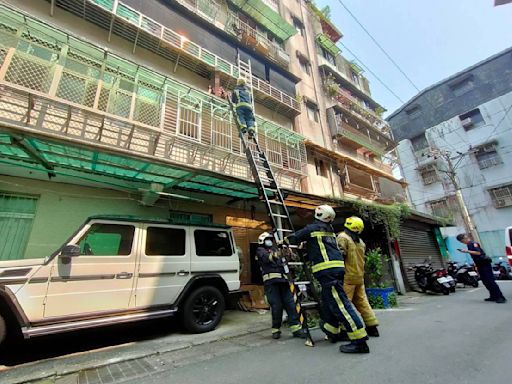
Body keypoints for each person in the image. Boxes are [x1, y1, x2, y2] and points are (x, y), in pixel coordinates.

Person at [282, 205, 370, 354]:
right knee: (331, 302)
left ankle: (360, 341)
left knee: (341, 306)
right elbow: (318, 248)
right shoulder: (329, 231)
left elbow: (293, 237)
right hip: (335, 271)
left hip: (327, 272)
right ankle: (333, 330)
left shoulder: (312, 229)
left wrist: (281, 241)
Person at [255, 232, 305, 339]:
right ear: (262, 241)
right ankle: (276, 329)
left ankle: (296, 329)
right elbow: (266, 258)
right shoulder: (260, 251)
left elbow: (291, 259)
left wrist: (290, 252)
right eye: (267, 239)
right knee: (277, 306)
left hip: (284, 282)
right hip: (272, 284)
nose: (270, 241)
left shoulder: (276, 250)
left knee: (291, 305)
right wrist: (279, 254)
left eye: (270, 239)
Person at [337, 216, 380, 337]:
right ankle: (372, 327)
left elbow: (340, 255)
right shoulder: (361, 242)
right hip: (359, 277)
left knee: (344, 304)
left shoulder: (342, 237)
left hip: (347, 277)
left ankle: (345, 330)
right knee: (362, 302)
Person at [456, 233, 506, 303]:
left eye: (461, 241)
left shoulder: (472, 243)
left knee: (490, 281)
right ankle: (493, 296)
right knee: (485, 281)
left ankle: (500, 297)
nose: (462, 242)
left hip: (484, 264)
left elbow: (478, 253)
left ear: (464, 239)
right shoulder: (469, 244)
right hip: (480, 264)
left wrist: (466, 251)